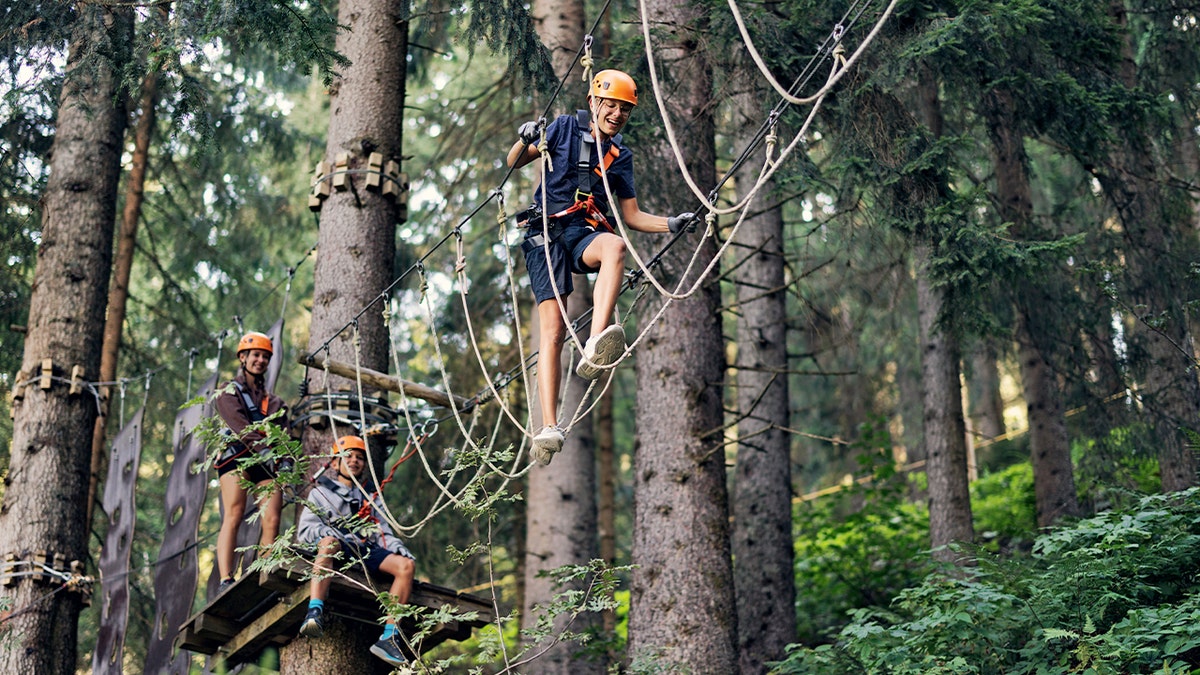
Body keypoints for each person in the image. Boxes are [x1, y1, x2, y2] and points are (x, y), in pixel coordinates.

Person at [506, 68, 696, 465]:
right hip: (544, 233)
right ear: (594, 102)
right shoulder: (561, 129)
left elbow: (633, 215)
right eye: (610, 105)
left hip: (581, 233)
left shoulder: (619, 156)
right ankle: (548, 428)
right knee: (553, 331)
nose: (616, 114)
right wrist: (525, 137)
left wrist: (671, 224)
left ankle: (594, 345)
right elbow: (515, 161)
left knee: (614, 246)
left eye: (624, 109)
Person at [297, 435, 416, 668]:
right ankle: (314, 612)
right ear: (334, 463)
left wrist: (399, 549)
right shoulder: (319, 494)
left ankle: (389, 638)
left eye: (359, 457)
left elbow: (384, 532)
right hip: (337, 548)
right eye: (348, 456)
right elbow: (306, 531)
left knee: (406, 566)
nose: (354, 461)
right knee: (329, 542)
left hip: (364, 548)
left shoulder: (370, 498)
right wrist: (334, 536)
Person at [213, 330, 287, 592]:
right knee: (234, 512)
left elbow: (283, 437)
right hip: (237, 455)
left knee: (272, 516)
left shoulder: (276, 402)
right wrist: (264, 448)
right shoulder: (227, 391)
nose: (261, 360)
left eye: (265, 357)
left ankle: (264, 573)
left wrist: (285, 459)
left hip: (265, 462)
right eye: (256, 355)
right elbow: (238, 425)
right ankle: (226, 578)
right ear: (243, 357)